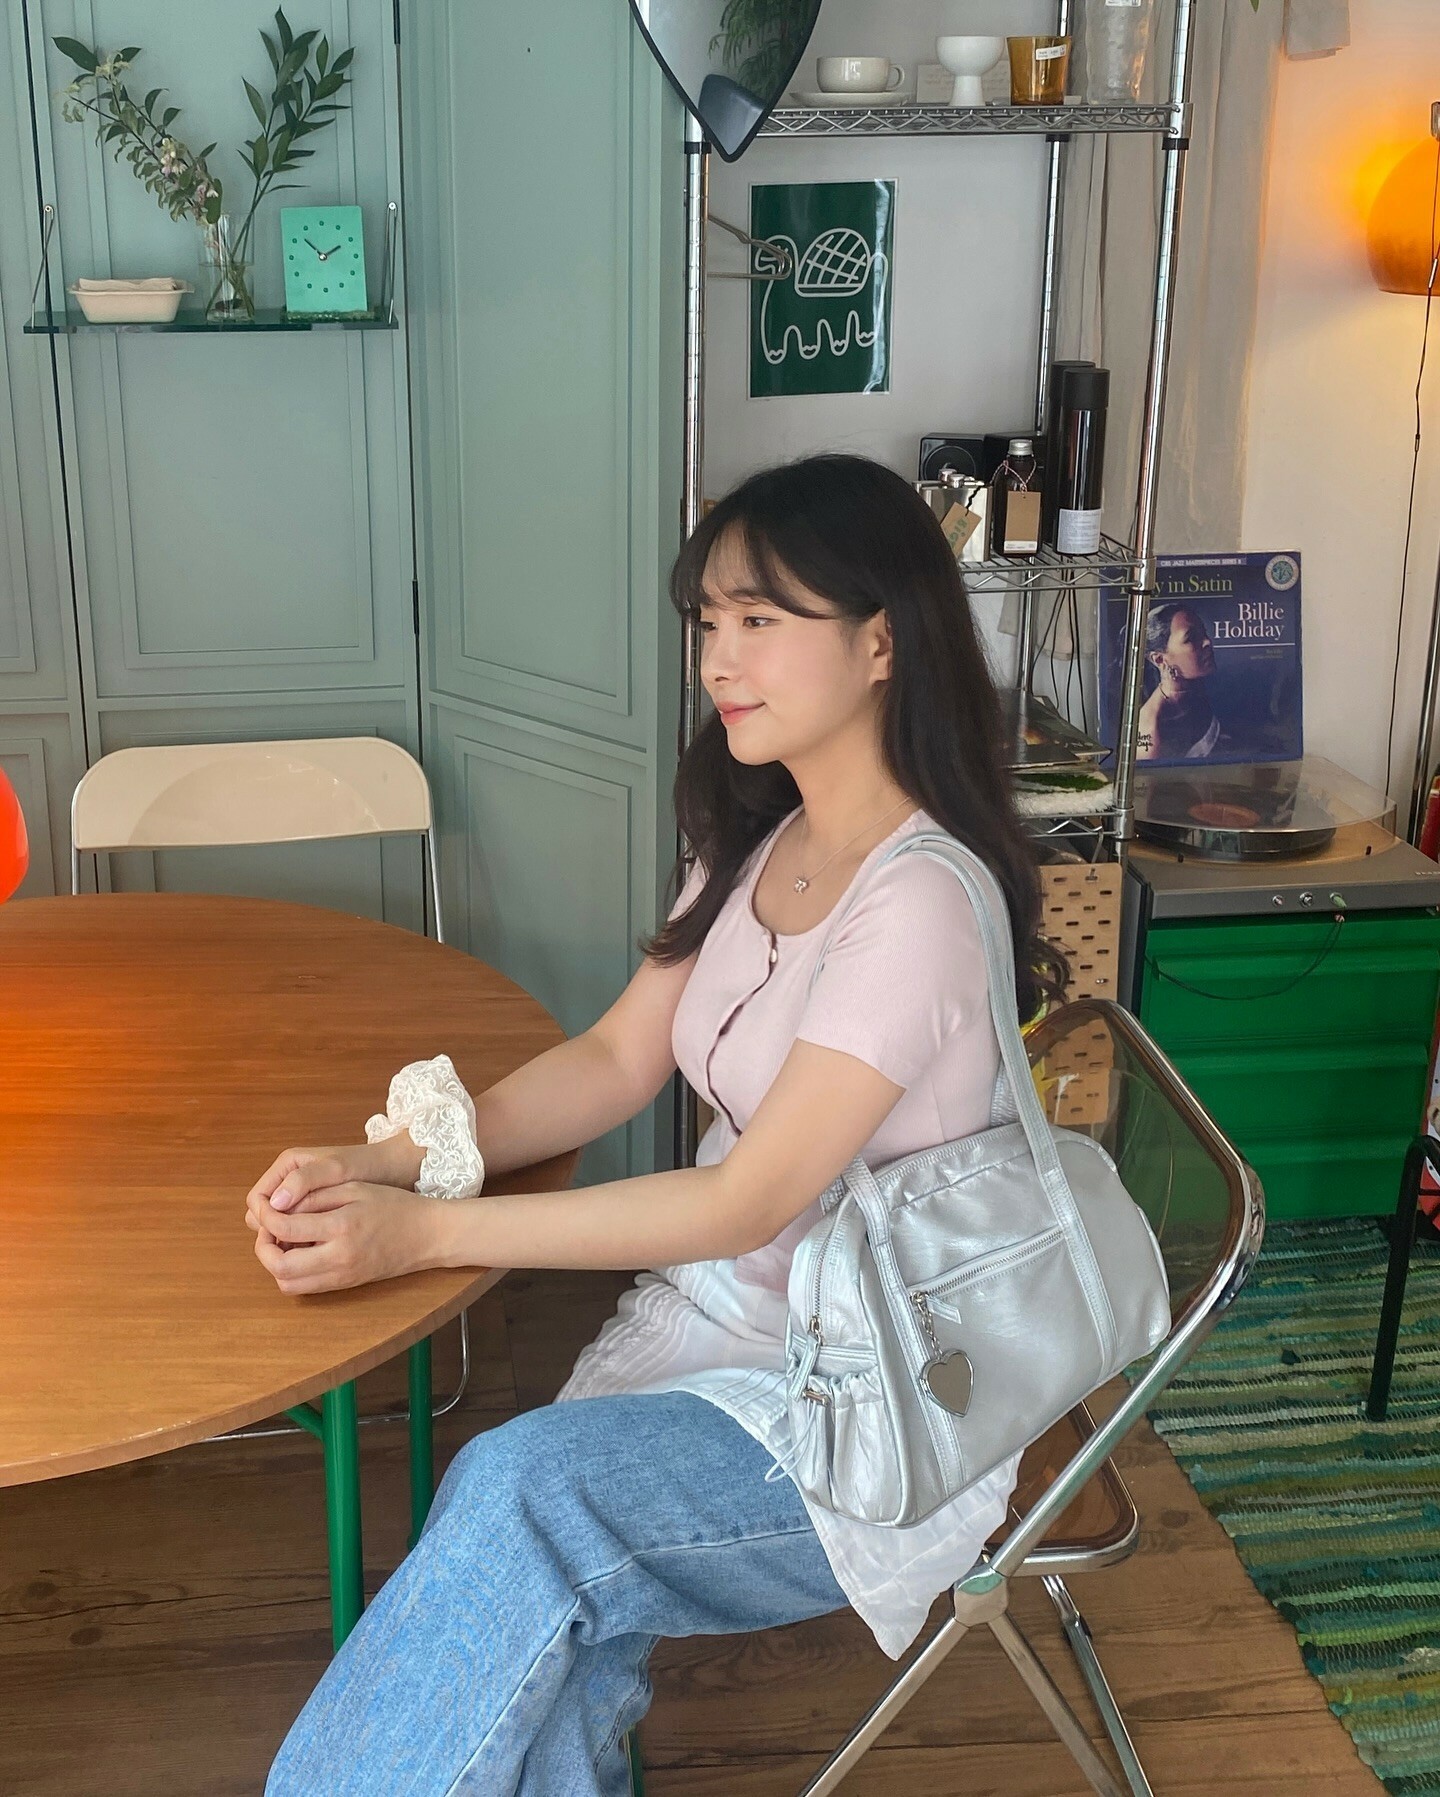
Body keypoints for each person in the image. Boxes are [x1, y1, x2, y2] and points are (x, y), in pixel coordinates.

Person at [248, 453, 1065, 1796]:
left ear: (881, 642)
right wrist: (387, 1159)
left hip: (868, 1401)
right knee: (523, 1549)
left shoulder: (917, 901)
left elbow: (744, 1201)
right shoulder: (761, 840)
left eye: (762, 619)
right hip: (720, 1331)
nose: (719, 660)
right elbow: (618, 1057)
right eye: (709, 621)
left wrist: (426, 1236)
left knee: (526, 1502)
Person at [1135, 601, 1220, 761]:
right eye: (1191, 638)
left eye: (1204, 633)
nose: (1207, 642)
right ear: (1159, 659)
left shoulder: (1204, 692)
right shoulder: (1152, 727)